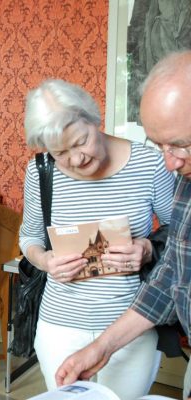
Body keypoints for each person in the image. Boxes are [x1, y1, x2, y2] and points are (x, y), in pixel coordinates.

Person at [20, 79, 175, 400]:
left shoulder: (150, 164)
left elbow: (181, 232)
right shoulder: (40, 172)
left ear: (94, 118)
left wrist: (146, 249)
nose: (76, 160)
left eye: (80, 142)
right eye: (60, 152)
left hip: (131, 326)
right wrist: (45, 260)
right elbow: (29, 237)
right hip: (59, 325)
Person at [55, 51, 191, 400]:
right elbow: (169, 281)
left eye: (180, 145)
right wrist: (101, 348)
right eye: (158, 144)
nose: (169, 162)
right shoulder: (186, 182)